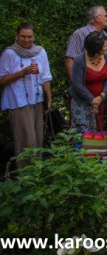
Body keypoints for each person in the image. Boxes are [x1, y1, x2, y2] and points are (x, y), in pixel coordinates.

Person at [0, 23, 53, 169]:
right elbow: (2, 79)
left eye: (29, 36)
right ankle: (26, 176)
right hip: (18, 101)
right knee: (26, 140)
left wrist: (48, 97)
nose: (26, 39)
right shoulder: (9, 53)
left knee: (37, 139)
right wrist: (22, 73)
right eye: (23, 36)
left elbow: (46, 77)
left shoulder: (40, 52)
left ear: (34, 37)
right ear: (16, 36)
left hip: (37, 100)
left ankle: (37, 174)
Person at [68, 31, 107, 133]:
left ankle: (96, 150)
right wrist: (92, 100)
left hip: (100, 101)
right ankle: (80, 149)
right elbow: (76, 83)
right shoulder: (80, 60)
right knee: (82, 132)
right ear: (95, 49)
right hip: (82, 102)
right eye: (104, 45)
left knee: (97, 132)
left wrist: (101, 96)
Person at [65, 6, 107, 81]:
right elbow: (70, 59)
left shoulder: (104, 34)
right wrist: (75, 84)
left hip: (103, 81)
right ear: (97, 18)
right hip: (85, 82)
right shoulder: (80, 34)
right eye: (106, 16)